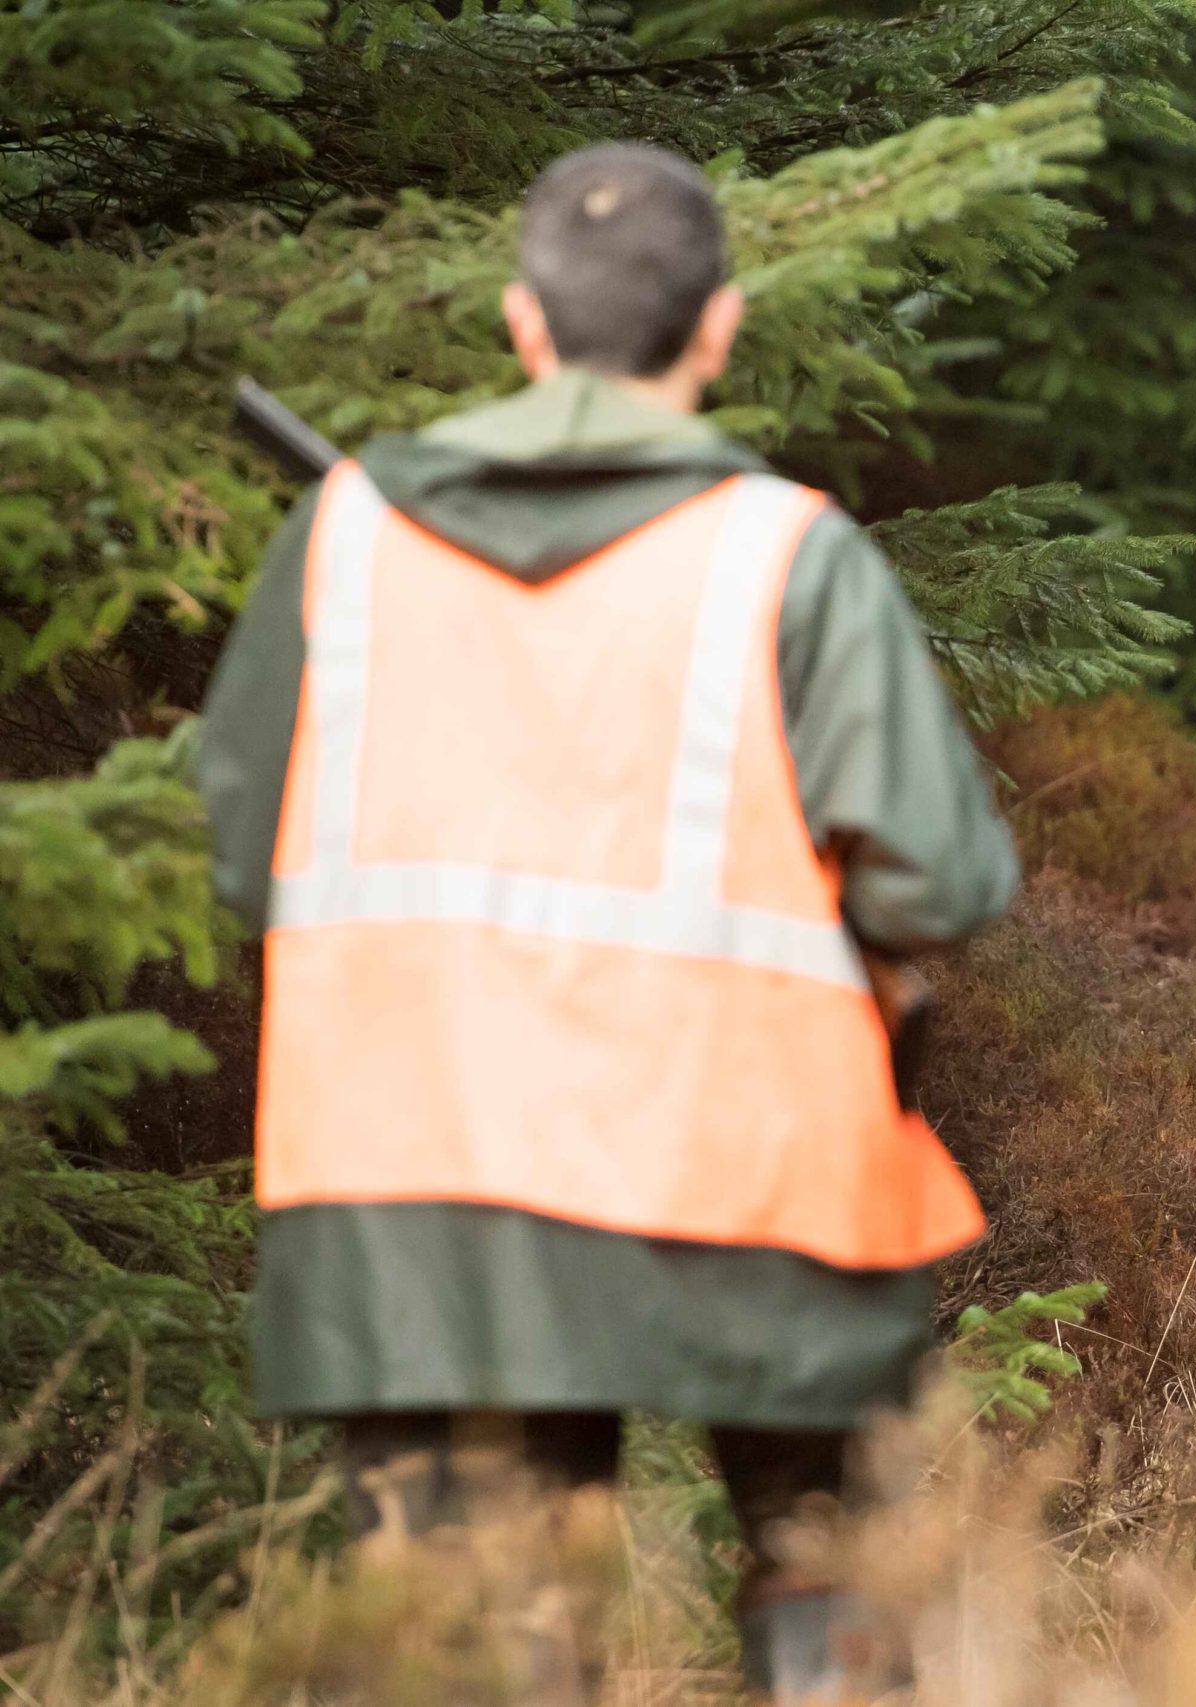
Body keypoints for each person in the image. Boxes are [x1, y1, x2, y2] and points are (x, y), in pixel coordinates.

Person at [196, 141, 1018, 1702]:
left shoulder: (347, 542)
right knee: (827, 1586)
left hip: (422, 1190)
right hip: (748, 1186)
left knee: (468, 1648)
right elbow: (942, 884)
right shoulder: (790, 558)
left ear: (522, 321)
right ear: (718, 326)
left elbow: (250, 860)